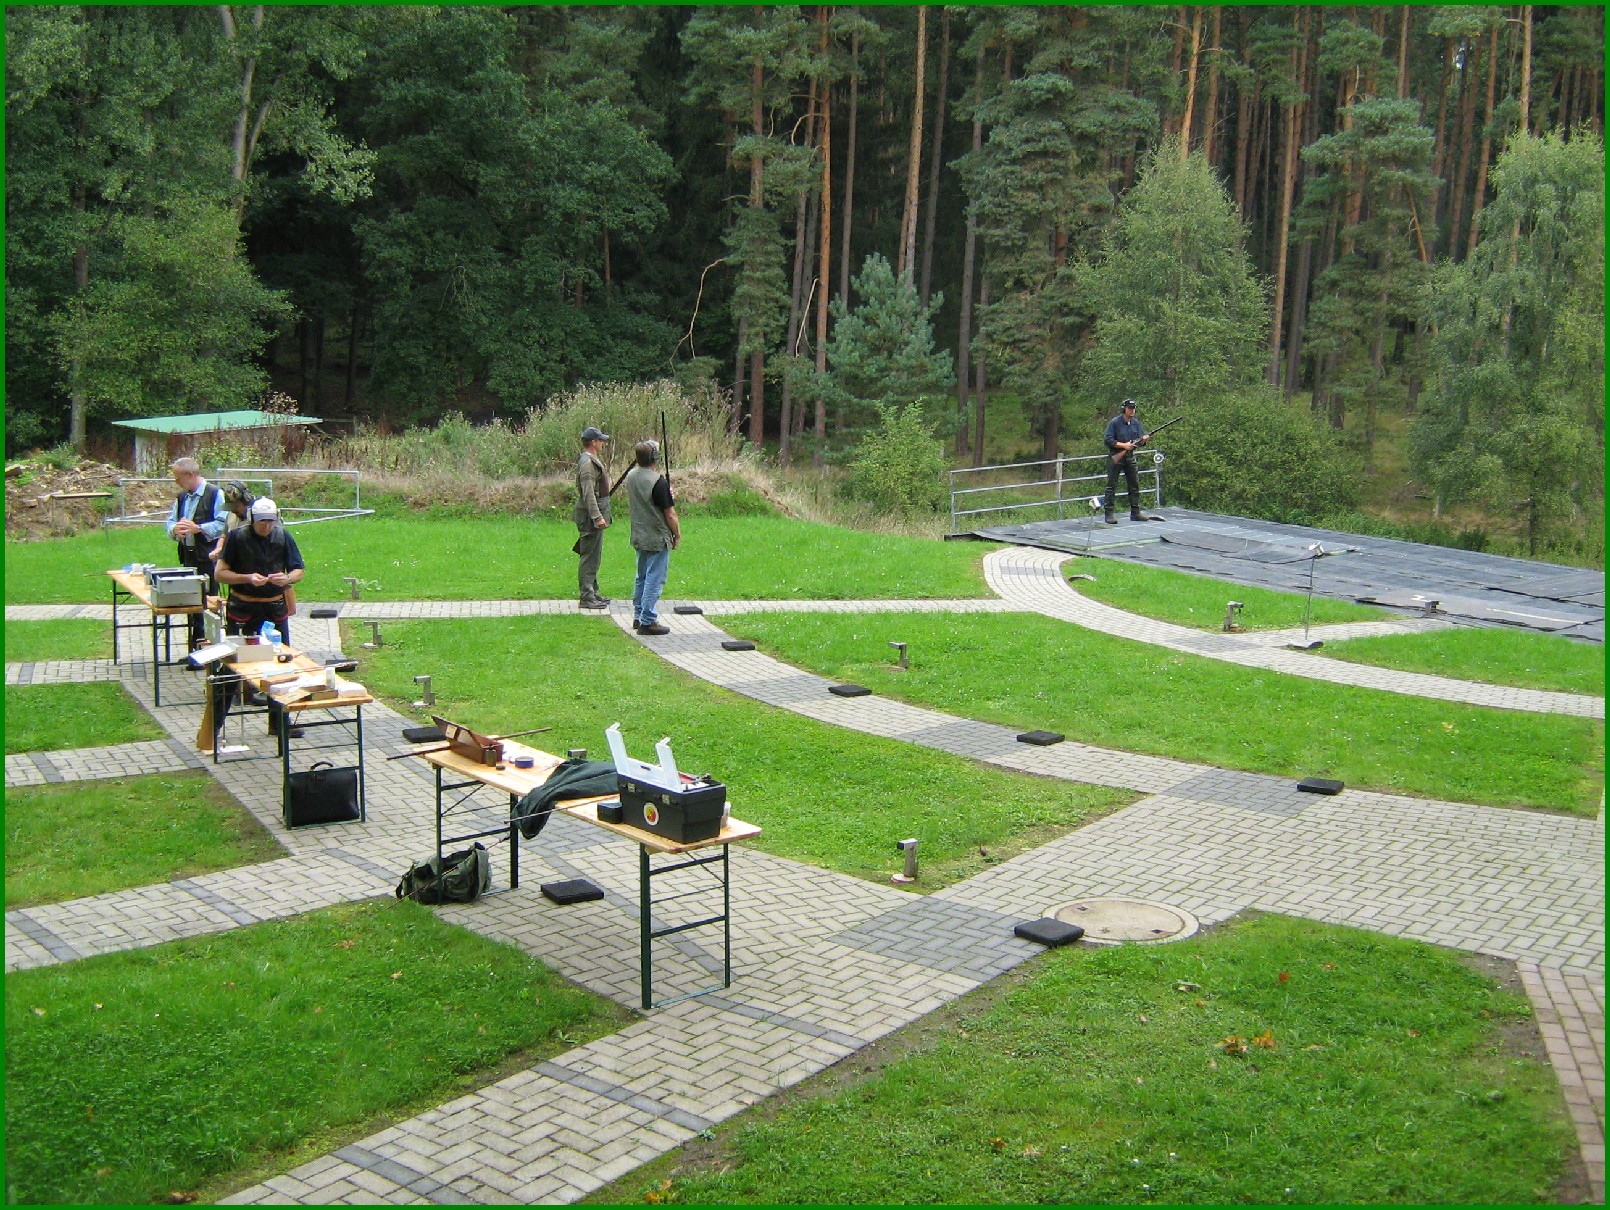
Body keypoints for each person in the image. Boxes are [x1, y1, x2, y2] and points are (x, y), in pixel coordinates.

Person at [215, 498, 304, 645]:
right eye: (262, 521)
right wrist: (248, 578)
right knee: (242, 654)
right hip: (243, 608)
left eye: (271, 521)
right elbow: (219, 574)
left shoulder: (283, 536)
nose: (267, 526)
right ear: (252, 519)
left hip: (274, 609)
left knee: (280, 653)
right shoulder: (236, 537)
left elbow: (298, 570)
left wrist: (287, 578)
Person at [164, 456, 228, 646]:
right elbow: (170, 521)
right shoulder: (182, 497)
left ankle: (210, 649)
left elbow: (224, 525)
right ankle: (194, 647)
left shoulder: (215, 494)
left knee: (208, 606)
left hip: (208, 559)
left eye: (178, 478)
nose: (176, 482)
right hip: (188, 557)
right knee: (191, 605)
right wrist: (174, 529)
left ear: (191, 474)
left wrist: (198, 528)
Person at [623, 440, 680, 636]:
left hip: (639, 534)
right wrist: (677, 534)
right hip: (657, 537)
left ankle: (638, 616)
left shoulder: (631, 476)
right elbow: (670, 514)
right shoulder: (658, 482)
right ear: (655, 458)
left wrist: (666, 493)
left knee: (641, 577)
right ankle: (648, 620)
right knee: (654, 579)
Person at [573, 426, 612, 609]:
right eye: (600, 440)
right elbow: (588, 494)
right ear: (593, 442)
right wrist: (597, 517)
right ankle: (587, 596)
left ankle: (593, 592)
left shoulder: (590, 460)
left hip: (592, 516)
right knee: (589, 557)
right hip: (590, 518)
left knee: (594, 556)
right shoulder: (588, 464)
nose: (603, 443)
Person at [1102, 398, 1150, 524]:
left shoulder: (1136, 423)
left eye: (1133, 408)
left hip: (1129, 457)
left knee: (1134, 485)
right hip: (1116, 457)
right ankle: (1109, 514)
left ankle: (1135, 513)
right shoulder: (1115, 422)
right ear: (1124, 409)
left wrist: (1143, 440)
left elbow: (1139, 441)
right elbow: (1108, 440)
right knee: (1111, 486)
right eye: (1129, 408)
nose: (1132, 411)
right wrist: (1124, 445)